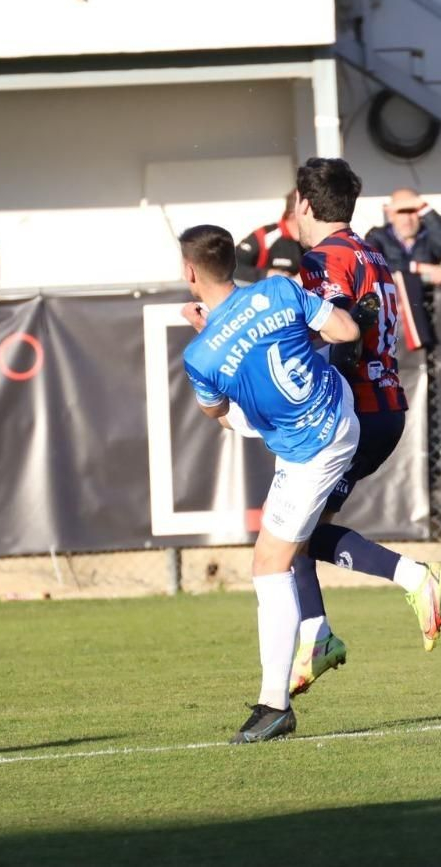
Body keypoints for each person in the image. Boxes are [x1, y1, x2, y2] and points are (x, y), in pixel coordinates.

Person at [178, 224, 362, 742]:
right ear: (231, 263)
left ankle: (274, 706)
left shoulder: (200, 356)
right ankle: (318, 634)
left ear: (190, 273)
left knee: (269, 565)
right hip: (337, 405)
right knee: (292, 549)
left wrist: (212, 337)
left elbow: (214, 411)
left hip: (311, 449)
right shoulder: (278, 289)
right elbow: (346, 331)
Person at [289, 157, 441, 698]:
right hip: (385, 406)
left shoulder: (322, 260)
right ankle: (317, 635)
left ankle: (412, 580)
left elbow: (345, 331)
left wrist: (318, 395)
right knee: (297, 535)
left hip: (351, 412)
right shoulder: (372, 253)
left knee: (287, 532)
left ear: (304, 204)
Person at [364, 187, 441, 351]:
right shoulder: (377, 236)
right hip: (389, 323)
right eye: (401, 212)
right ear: (391, 214)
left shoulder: (428, 237)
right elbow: (372, 262)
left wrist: (425, 208)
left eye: (412, 211)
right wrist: (419, 268)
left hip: (430, 318)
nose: (407, 219)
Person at [232, 193, 305, 285]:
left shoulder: (315, 240)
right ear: (293, 213)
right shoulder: (264, 236)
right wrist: (266, 274)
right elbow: (229, 266)